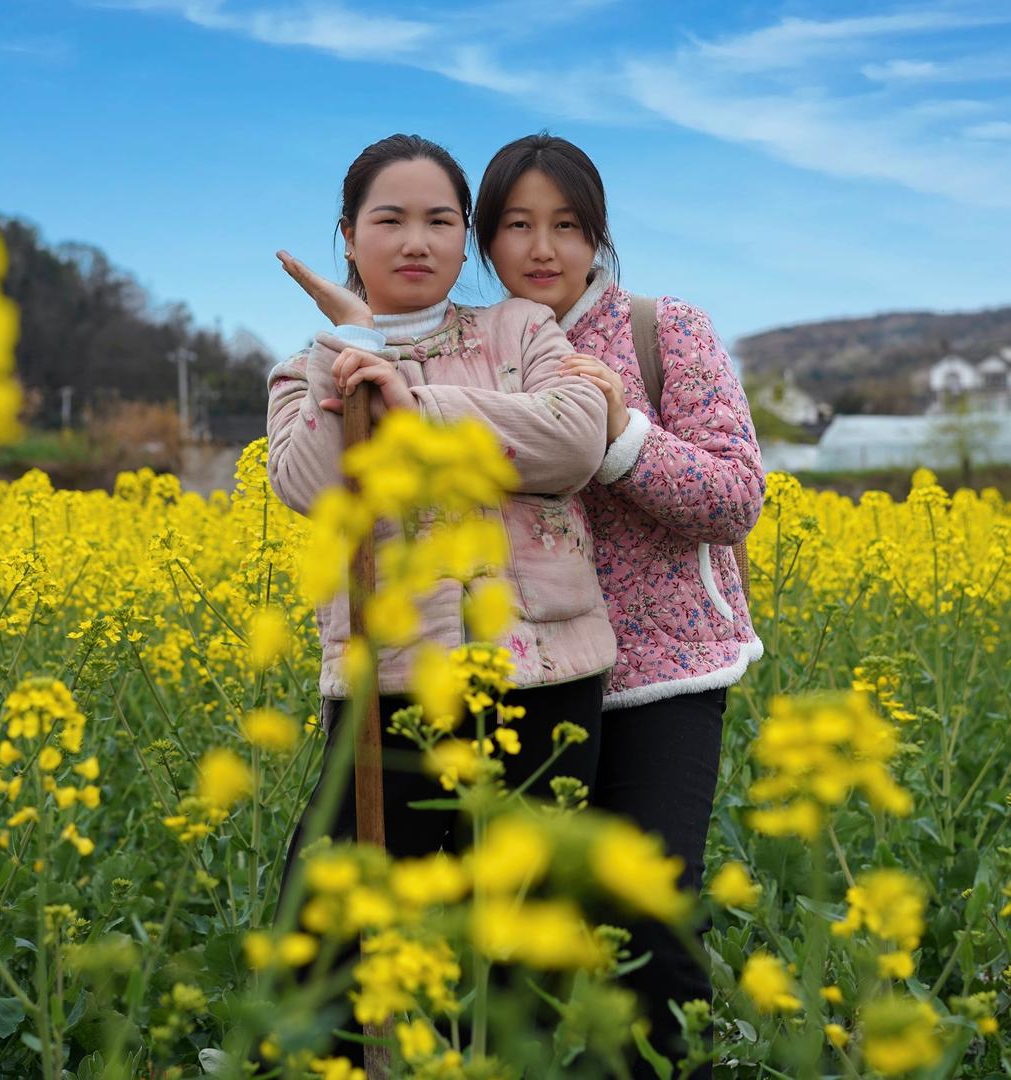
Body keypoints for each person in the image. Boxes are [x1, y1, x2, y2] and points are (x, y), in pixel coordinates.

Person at [265, 132, 616, 967]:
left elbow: (573, 440)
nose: (417, 241)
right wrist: (356, 348)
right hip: (392, 684)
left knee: (525, 946)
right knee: (336, 942)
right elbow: (314, 485)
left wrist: (410, 406)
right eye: (389, 219)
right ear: (347, 235)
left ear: (467, 238)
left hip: (542, 673)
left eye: (440, 220)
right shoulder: (302, 371)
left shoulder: (522, 329)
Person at [473, 132, 765, 1076]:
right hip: (527, 676)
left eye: (567, 225)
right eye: (518, 225)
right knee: (512, 941)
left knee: (651, 924)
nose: (543, 248)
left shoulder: (663, 329)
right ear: (486, 242)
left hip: (663, 676)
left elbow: (734, 496)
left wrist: (620, 435)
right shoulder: (473, 352)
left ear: (599, 238)